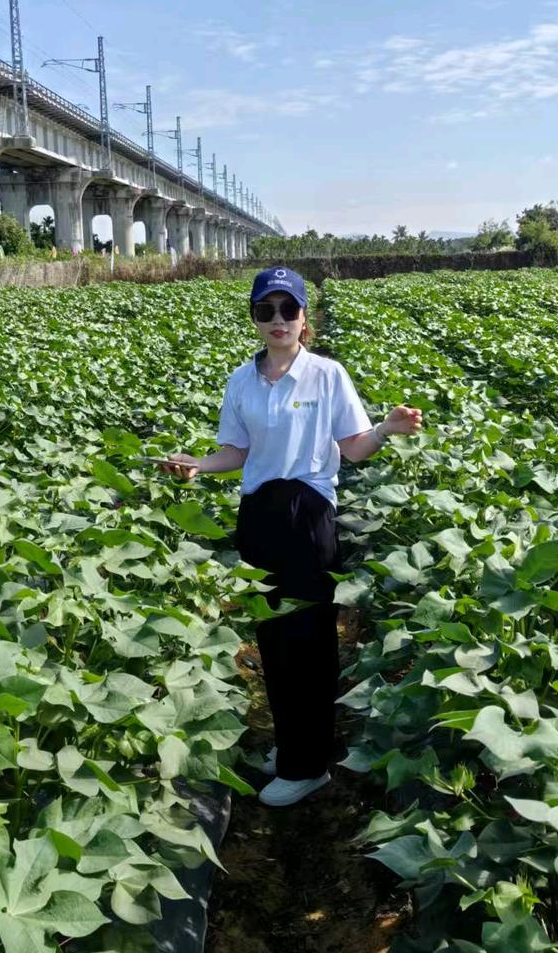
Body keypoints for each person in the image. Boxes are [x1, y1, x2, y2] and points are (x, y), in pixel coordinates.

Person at [161, 266, 422, 807]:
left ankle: (310, 765)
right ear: (255, 318)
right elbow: (236, 452)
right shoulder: (241, 381)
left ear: (304, 318)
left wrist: (385, 430)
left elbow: (351, 448)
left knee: (309, 643)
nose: (278, 320)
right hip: (258, 515)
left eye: (288, 309)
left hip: (308, 516)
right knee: (273, 640)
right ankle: (290, 747)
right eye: (266, 310)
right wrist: (198, 465)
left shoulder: (327, 375)